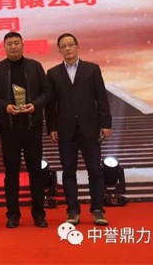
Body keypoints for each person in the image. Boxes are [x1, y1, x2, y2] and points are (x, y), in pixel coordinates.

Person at [46, 33, 112, 226]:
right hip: (65, 130)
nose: (67, 49)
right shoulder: (53, 73)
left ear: (77, 47)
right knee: (68, 172)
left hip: (90, 128)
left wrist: (105, 123)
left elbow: (101, 98)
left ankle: (97, 210)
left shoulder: (92, 69)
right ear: (59, 50)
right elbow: (51, 105)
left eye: (70, 45)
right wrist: (52, 127)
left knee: (95, 171)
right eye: (63, 46)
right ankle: (72, 211)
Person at [0, 32, 51, 229]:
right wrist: (5, 107)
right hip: (9, 129)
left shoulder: (35, 66)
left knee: (36, 172)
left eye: (16, 43)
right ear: (4, 47)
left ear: (23, 45)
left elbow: (47, 91)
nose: (13, 47)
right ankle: (13, 214)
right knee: (11, 172)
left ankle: (38, 214)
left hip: (32, 127)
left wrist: (35, 105)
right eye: (9, 44)